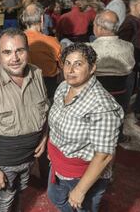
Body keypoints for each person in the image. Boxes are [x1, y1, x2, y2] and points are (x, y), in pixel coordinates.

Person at [0, 28, 50, 212]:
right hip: (4, 163)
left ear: (27, 51)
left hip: (29, 159)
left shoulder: (37, 74)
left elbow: (45, 109)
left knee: (19, 194)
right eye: (7, 52)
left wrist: (44, 136)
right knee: (3, 203)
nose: (14, 58)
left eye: (19, 51)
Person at [46, 42, 123, 212]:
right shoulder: (63, 87)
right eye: (67, 63)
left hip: (81, 174)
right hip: (59, 165)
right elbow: (56, 122)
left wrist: (80, 190)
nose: (70, 69)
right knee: (55, 197)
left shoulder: (102, 106)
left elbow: (103, 155)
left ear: (92, 68)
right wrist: (52, 150)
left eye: (78, 64)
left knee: (83, 209)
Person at [88, 10, 135, 143]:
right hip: (121, 95)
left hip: (96, 98)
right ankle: (118, 137)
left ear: (99, 28)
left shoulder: (89, 50)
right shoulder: (129, 47)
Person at [118, 0, 140, 122]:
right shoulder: (130, 23)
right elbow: (121, 46)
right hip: (127, 69)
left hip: (131, 67)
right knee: (123, 102)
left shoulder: (136, 22)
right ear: (133, 6)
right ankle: (118, 135)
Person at [22, 3, 62, 100]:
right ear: (42, 19)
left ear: (23, 19)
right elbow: (63, 65)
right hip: (48, 85)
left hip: (24, 84)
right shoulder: (52, 42)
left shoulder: (16, 41)